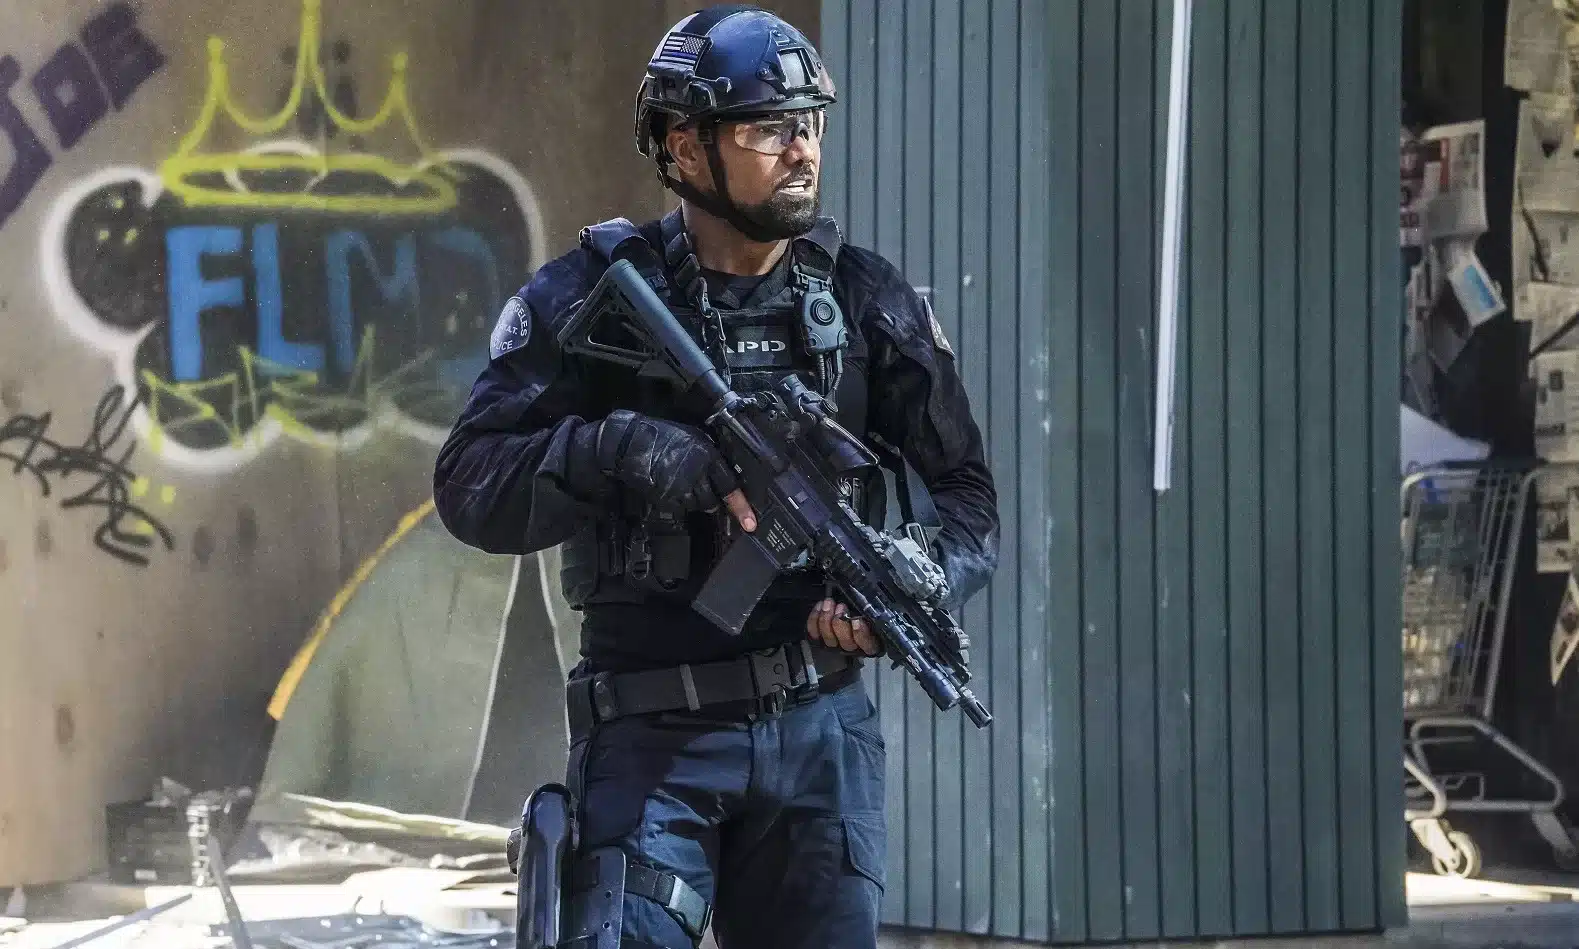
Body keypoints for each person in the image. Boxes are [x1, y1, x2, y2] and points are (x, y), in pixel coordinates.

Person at [433, 5, 999, 947]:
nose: (800, 149)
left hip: (819, 740)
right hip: (651, 740)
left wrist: (916, 577)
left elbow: (969, 497)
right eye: (766, 128)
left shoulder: (864, 301)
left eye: (808, 123)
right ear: (685, 148)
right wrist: (623, 451)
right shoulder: (589, 297)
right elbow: (469, 484)